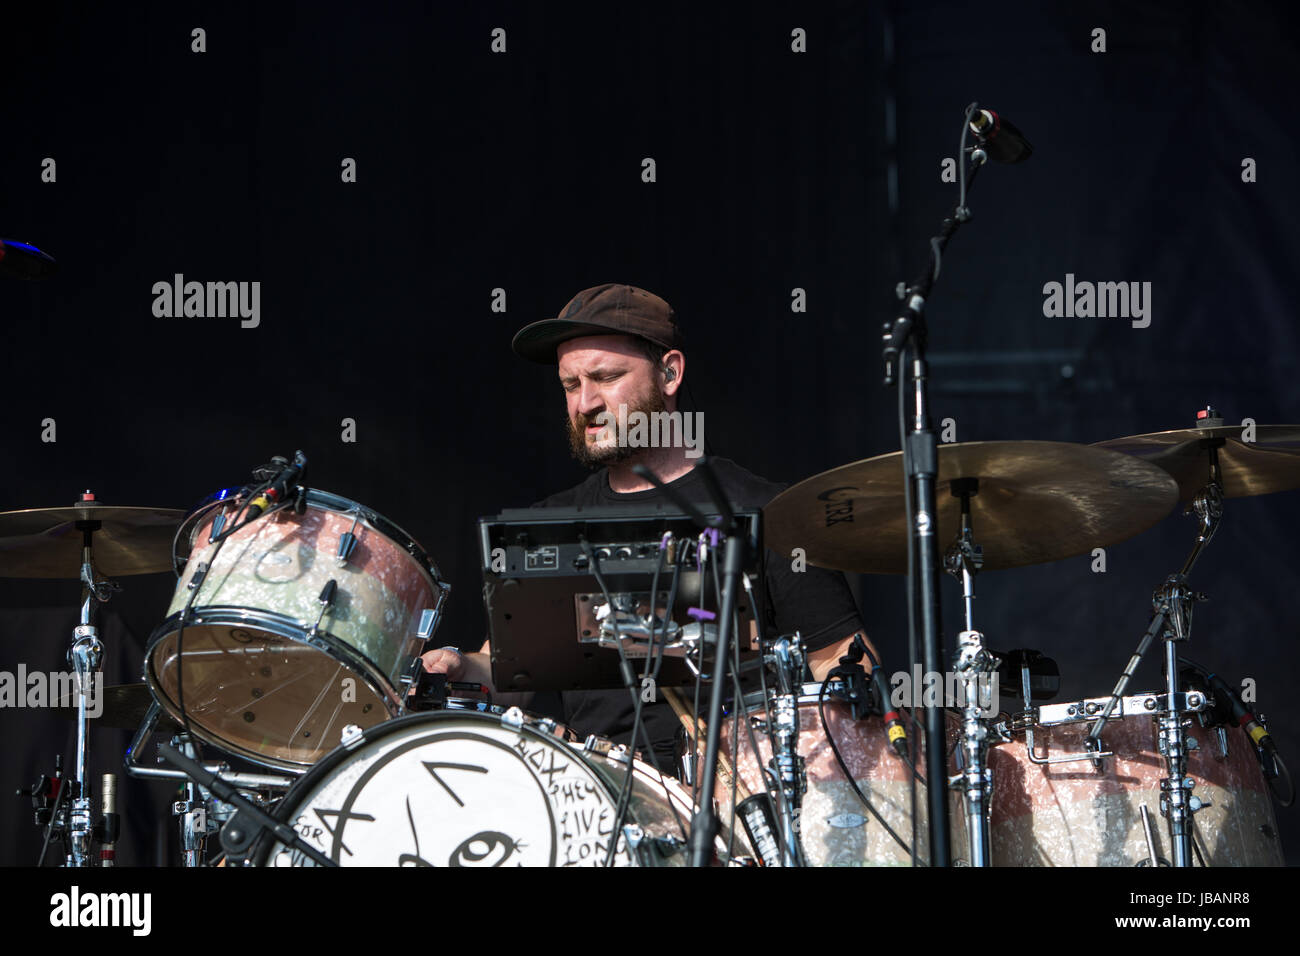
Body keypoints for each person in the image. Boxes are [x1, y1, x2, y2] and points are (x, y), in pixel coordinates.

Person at [421, 283, 877, 772]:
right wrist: (459, 665)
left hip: (738, 794)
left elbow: (845, 666)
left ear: (670, 372)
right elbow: (510, 666)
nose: (584, 404)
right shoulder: (550, 524)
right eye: (571, 385)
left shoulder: (766, 511)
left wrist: (792, 756)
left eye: (606, 377)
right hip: (598, 796)